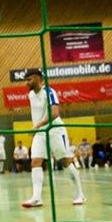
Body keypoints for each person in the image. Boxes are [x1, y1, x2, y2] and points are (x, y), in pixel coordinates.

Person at [21, 69, 85, 208]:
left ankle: (80, 194)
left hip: (55, 131)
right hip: (40, 133)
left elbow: (55, 113)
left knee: (65, 162)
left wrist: (37, 125)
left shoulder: (49, 92)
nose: (27, 83)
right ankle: (37, 198)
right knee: (35, 162)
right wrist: (37, 128)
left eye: (29, 79)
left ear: (38, 78)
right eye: (25, 80)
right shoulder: (31, 95)